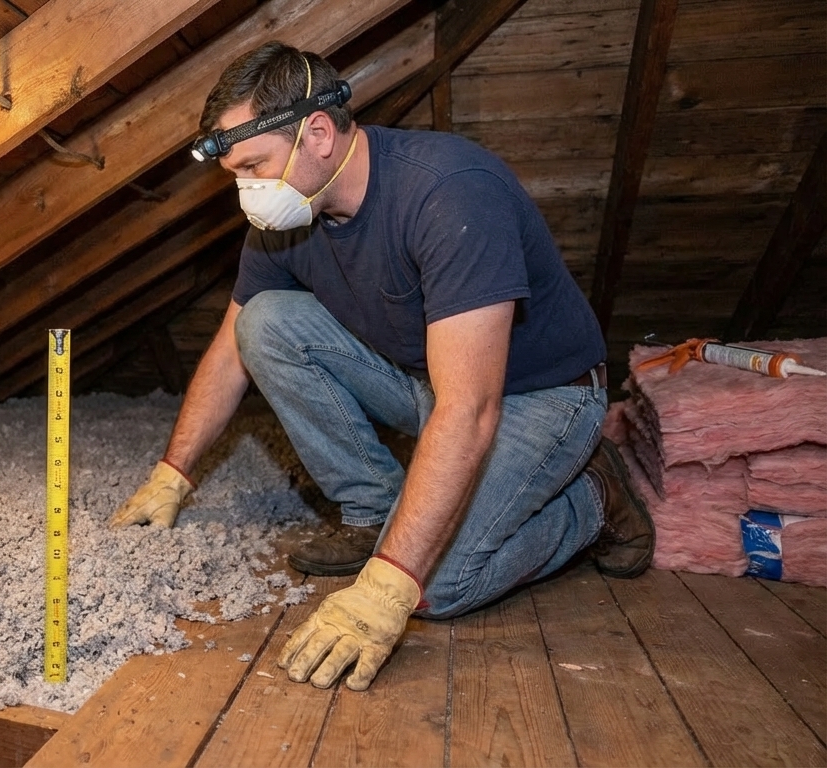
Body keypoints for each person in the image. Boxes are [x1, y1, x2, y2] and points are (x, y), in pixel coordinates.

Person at [109, 42, 654, 692]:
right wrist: (173, 473)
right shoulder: (285, 221)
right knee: (265, 322)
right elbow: (230, 347)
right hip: (431, 379)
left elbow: (471, 410)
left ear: (316, 133)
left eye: (253, 166)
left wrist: (387, 587)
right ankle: (373, 511)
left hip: (541, 398)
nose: (246, 191)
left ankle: (592, 499)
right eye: (235, 174)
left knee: (435, 586)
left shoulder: (449, 194)